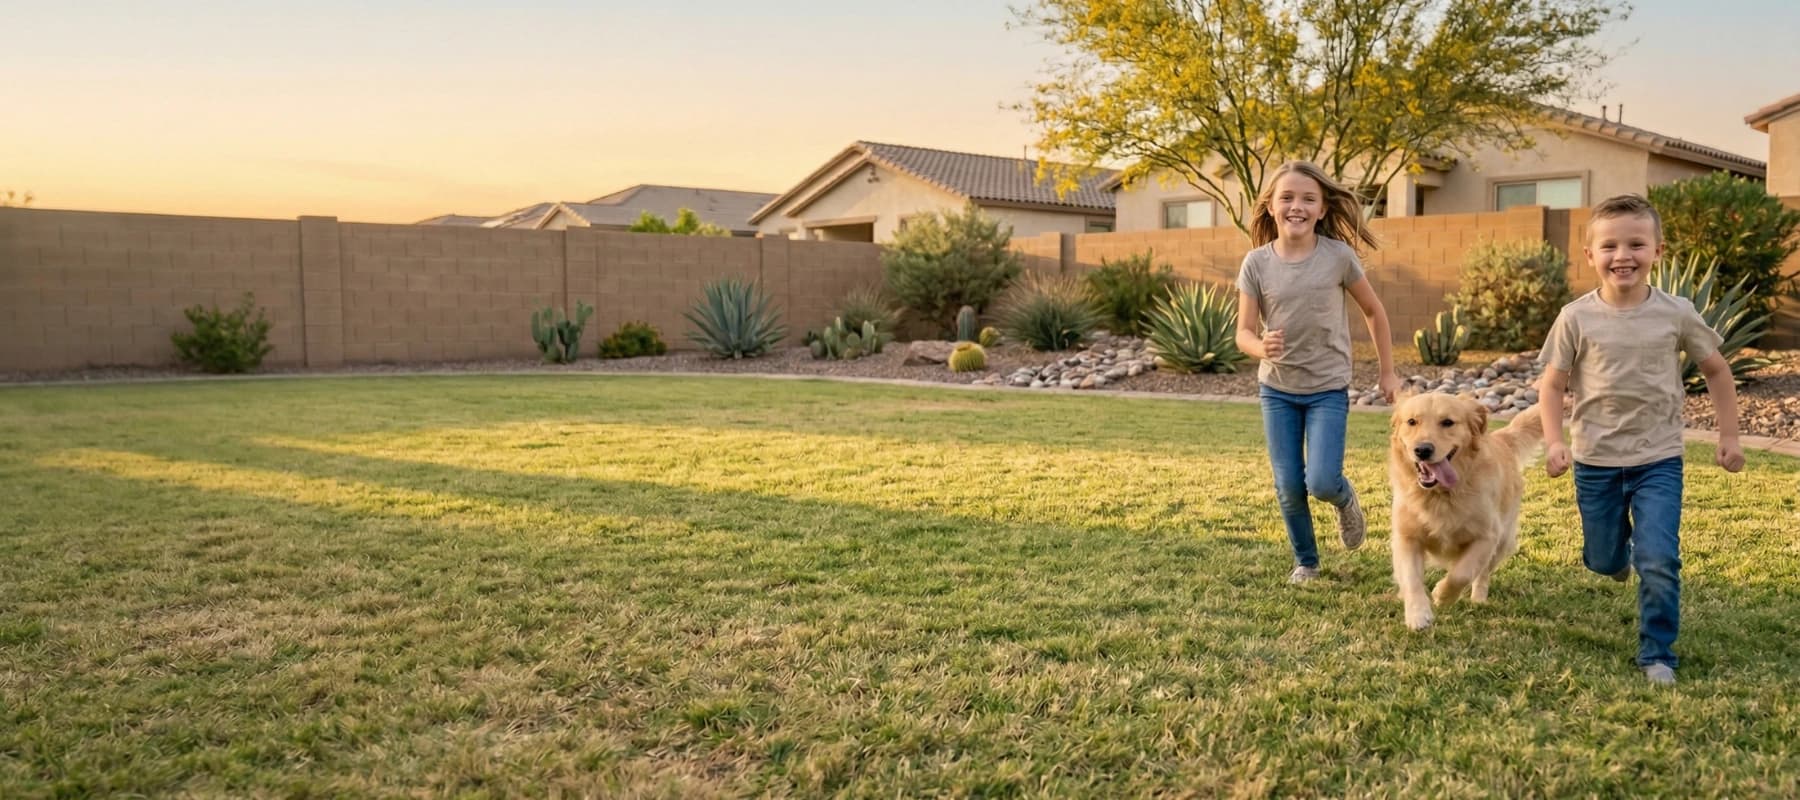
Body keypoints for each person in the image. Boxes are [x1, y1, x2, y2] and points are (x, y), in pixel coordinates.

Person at [1537, 193, 1745, 686]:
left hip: (1659, 460)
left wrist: (1730, 435)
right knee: (1603, 558)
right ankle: (1616, 558)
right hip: (1595, 461)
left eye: (1636, 243)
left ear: (1658, 251)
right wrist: (1553, 441)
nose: (1622, 255)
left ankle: (1658, 654)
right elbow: (1551, 384)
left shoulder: (1676, 313)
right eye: (1609, 245)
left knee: (1659, 557)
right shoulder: (1575, 317)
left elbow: (1717, 370)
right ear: (1591, 256)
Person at [1235, 161, 1400, 584]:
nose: (1297, 206)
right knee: (1289, 485)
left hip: (1327, 387)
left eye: (1308, 198)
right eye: (1287, 197)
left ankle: (1345, 500)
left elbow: (1374, 312)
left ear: (1323, 209)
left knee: (1322, 480)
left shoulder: (1338, 257)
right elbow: (1243, 333)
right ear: (1270, 206)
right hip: (1277, 389)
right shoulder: (1255, 263)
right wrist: (1260, 347)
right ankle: (1306, 562)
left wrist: (1387, 373)